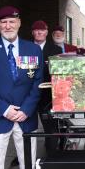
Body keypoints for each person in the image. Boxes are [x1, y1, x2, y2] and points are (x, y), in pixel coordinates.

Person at [0, 6, 43, 169]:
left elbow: (37, 82)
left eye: (12, 21)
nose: (7, 26)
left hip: (26, 117)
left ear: (19, 23)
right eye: (3, 22)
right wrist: (4, 109)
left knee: (28, 164)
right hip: (0, 116)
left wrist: (26, 109)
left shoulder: (33, 49)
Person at [32, 20, 63, 156]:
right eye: (36, 30)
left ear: (46, 32)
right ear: (32, 32)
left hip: (48, 95)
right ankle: (24, 154)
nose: (39, 32)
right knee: (25, 127)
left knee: (50, 126)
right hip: (28, 95)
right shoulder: (25, 48)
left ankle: (51, 154)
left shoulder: (55, 50)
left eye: (42, 30)